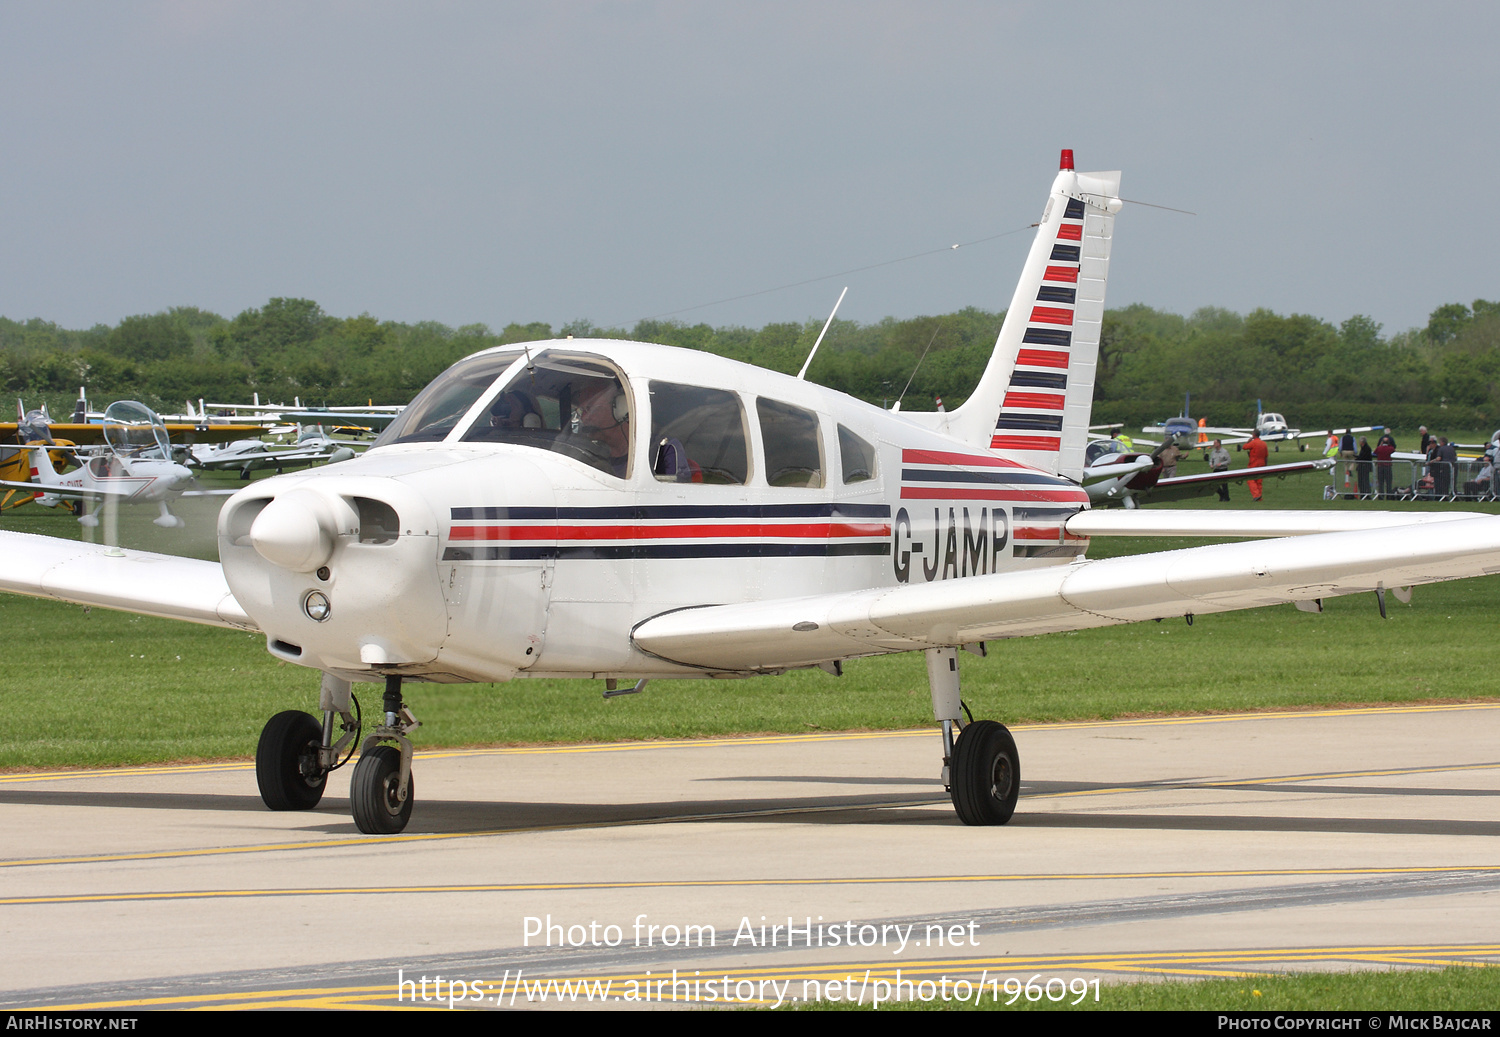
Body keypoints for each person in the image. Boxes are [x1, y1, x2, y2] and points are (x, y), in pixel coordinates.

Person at [1246, 429, 1269, 501]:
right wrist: (1266, 465)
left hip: (1253, 463)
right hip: (1262, 464)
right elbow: (1266, 455)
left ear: (1254, 435)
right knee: (1259, 481)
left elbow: (1244, 447)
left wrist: (1248, 441)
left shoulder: (1253, 443)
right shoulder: (1264, 443)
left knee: (1250, 479)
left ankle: (1256, 495)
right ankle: (1259, 497)